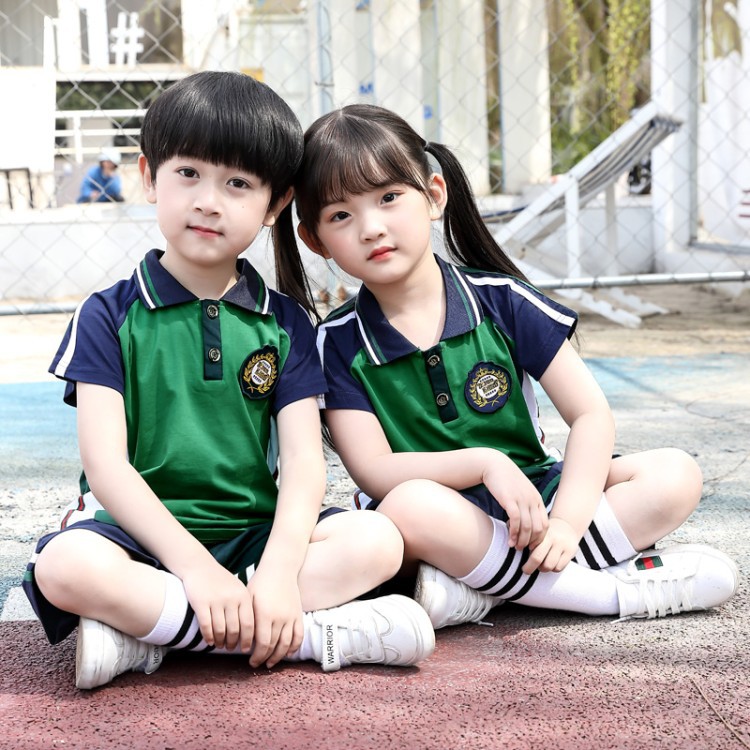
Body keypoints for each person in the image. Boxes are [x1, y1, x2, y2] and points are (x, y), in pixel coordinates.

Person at [22, 74, 434, 690]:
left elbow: (303, 465)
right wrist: (195, 570)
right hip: (136, 537)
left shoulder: (286, 322)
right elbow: (106, 468)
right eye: (188, 173)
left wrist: (278, 572)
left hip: (251, 535)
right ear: (149, 176)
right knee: (65, 566)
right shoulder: (107, 314)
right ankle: (310, 637)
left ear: (274, 205)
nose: (209, 201)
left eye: (238, 184)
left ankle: (153, 636)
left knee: (376, 540)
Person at [281, 103, 739, 630]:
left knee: (673, 474)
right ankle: (605, 594)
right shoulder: (335, 342)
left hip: (534, 499)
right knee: (407, 506)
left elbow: (590, 415)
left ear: (433, 195)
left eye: (389, 197)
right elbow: (375, 471)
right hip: (434, 522)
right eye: (341, 215)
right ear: (315, 239)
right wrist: (485, 464)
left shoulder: (501, 300)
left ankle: (485, 588)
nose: (371, 227)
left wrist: (566, 522)